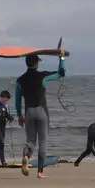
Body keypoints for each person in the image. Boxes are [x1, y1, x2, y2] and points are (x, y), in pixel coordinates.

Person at [14, 51, 66, 179]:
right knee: (43, 142)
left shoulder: (20, 80)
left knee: (31, 141)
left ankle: (26, 156)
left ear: (27, 64)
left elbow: (17, 100)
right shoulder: (43, 76)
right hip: (42, 111)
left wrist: (19, 115)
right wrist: (62, 58)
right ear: (37, 63)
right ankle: (40, 172)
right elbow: (61, 73)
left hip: (29, 112)